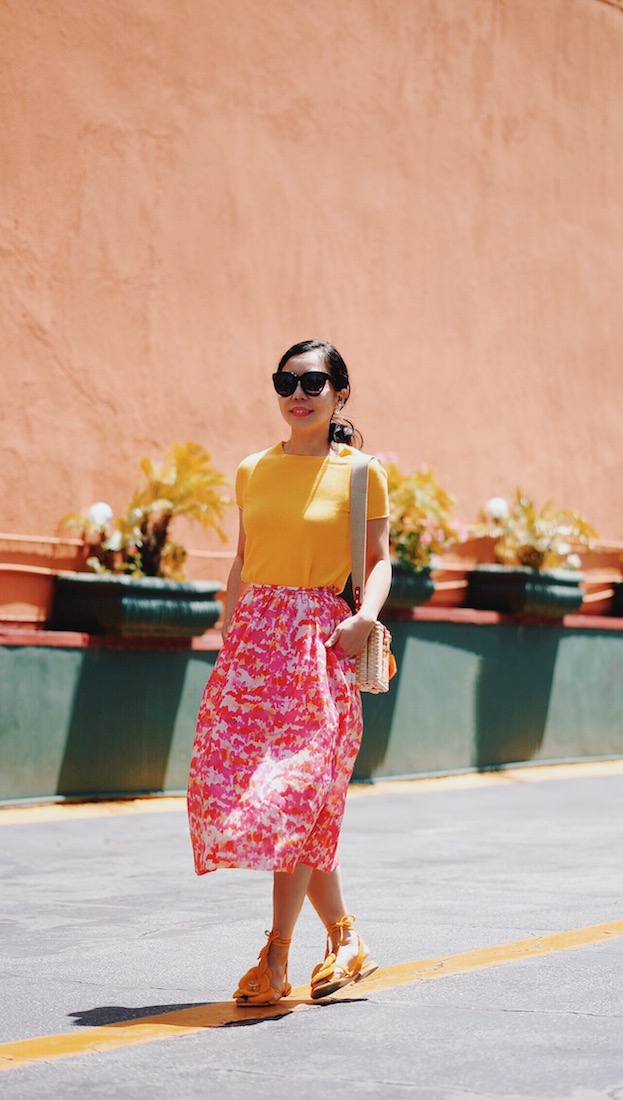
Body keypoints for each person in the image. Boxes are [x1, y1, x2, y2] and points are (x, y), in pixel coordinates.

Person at [187, 338, 392, 1006]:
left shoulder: (361, 473)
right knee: (265, 797)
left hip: (321, 644)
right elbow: (244, 558)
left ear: (340, 392)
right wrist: (228, 630)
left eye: (312, 382)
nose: (297, 394)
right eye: (286, 382)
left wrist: (367, 617)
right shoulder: (252, 470)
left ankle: (275, 956)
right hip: (254, 649)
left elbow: (381, 558)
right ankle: (345, 936)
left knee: (298, 795)